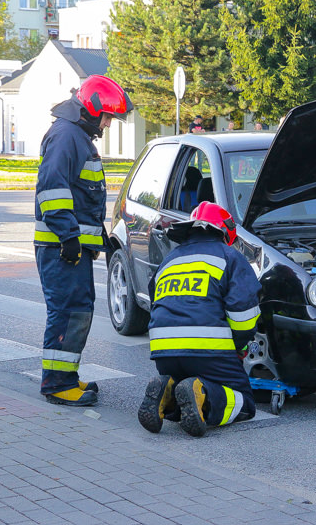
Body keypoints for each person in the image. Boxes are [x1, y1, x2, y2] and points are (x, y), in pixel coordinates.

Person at [35, 74, 132, 406]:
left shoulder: (76, 136)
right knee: (67, 311)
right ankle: (57, 384)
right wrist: (69, 237)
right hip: (61, 247)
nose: (107, 123)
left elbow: (80, 195)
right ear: (91, 108)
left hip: (69, 246)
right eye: (107, 115)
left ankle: (66, 376)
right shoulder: (66, 137)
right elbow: (52, 190)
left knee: (77, 310)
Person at [137, 201, 261, 437]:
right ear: (225, 232)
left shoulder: (169, 260)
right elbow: (243, 315)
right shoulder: (230, 257)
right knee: (244, 402)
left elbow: (158, 305)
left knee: (184, 397)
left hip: (164, 353)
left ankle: (168, 388)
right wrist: (239, 344)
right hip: (210, 352)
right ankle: (202, 391)